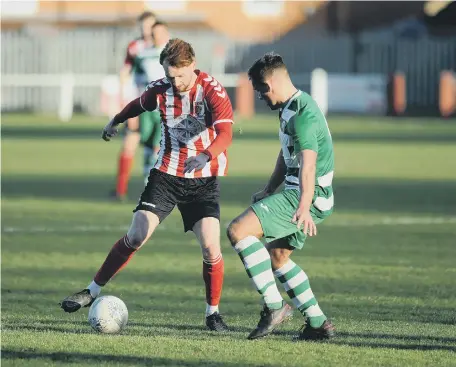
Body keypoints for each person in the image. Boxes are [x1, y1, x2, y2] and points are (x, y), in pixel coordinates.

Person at [61, 38, 234, 332]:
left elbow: (226, 133)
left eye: (180, 75)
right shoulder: (160, 88)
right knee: (137, 233)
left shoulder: (212, 91)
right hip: (166, 175)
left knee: (210, 248)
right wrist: (114, 120)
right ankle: (91, 291)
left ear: (192, 65)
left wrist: (205, 155)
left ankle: (212, 313)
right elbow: (137, 106)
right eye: (170, 75)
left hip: (203, 181)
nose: (175, 81)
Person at [226, 52, 336, 340]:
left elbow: (308, 163)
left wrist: (303, 204)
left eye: (260, 89)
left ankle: (275, 307)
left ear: (272, 82)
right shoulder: (291, 107)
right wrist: (269, 188)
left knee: (238, 230)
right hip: (298, 191)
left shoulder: (302, 116)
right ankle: (317, 323)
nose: (260, 96)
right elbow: (287, 153)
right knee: (278, 257)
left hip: (306, 195)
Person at [113, 11, 158, 200]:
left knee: (157, 148)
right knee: (129, 144)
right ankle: (120, 190)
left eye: (150, 25)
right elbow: (125, 74)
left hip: (160, 108)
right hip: (139, 105)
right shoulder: (135, 47)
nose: (146, 30)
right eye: (143, 26)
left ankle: (154, 192)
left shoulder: (167, 47)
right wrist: (124, 104)